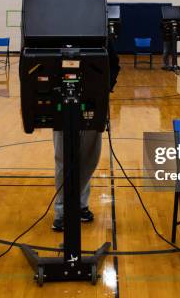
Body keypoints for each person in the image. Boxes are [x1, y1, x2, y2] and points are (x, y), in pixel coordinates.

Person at [52, 41, 120, 231]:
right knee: (63, 157)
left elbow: (113, 61)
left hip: (92, 99)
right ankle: (62, 211)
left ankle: (80, 205)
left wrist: (105, 88)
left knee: (89, 157)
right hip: (62, 98)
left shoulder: (98, 23)